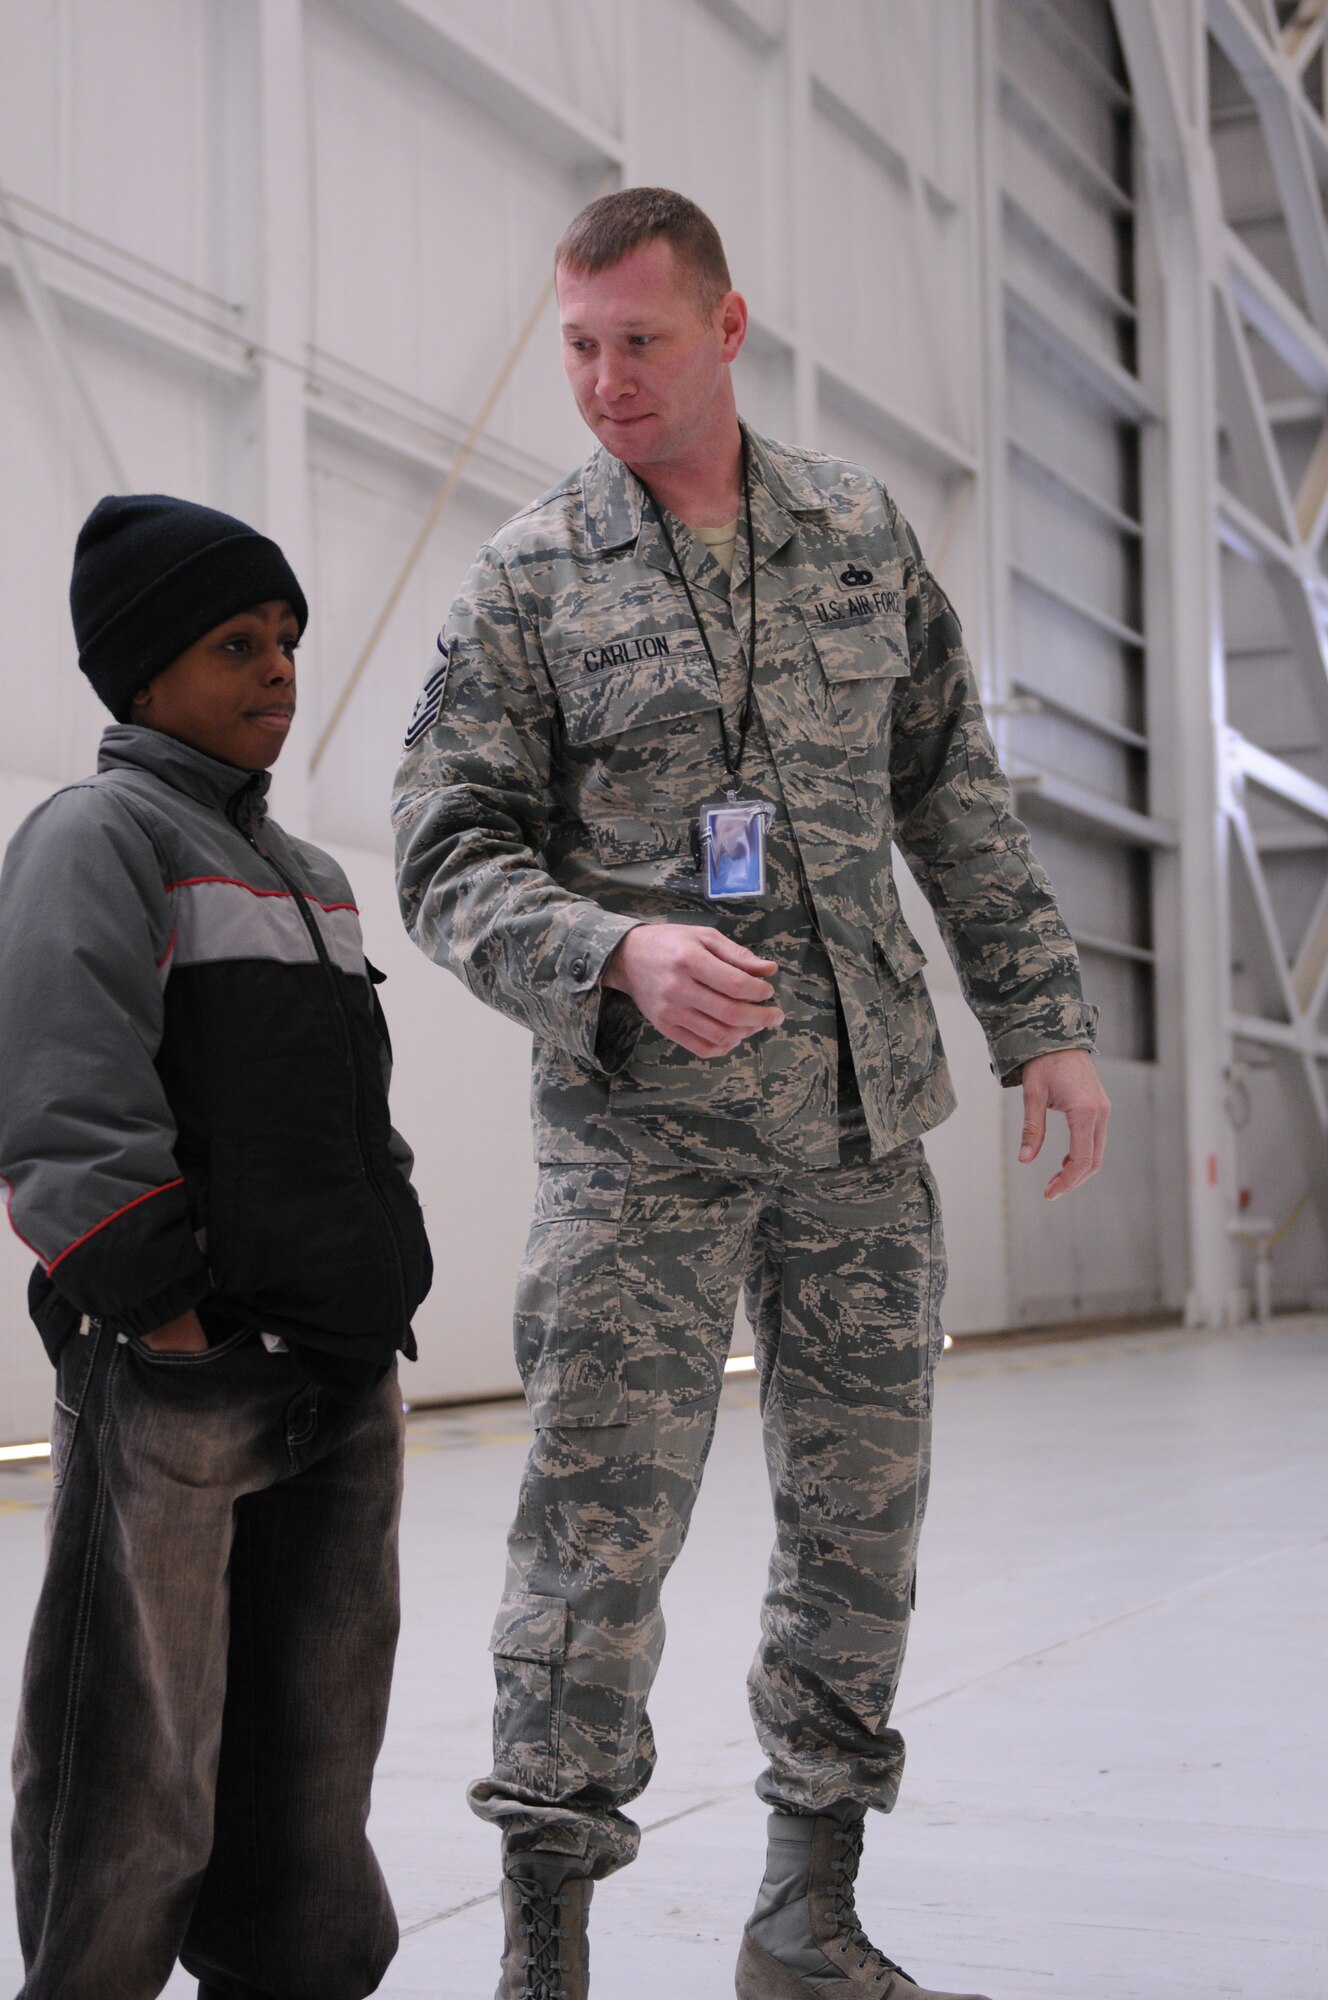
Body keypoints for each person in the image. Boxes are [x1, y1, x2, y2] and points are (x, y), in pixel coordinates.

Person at [393, 187, 1109, 2000]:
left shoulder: (861, 534)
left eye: (639, 342)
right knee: (595, 1531)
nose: (605, 383)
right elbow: (444, 850)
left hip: (863, 1131)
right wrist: (613, 955)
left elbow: (953, 791)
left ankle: (808, 1912)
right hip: (641, 1146)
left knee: (862, 1522)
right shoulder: (530, 577)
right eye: (576, 347)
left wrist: (1045, 1020)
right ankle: (544, 1946)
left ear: (725, 328)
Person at [0, 494, 433, 2000]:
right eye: (237, 642)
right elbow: (60, 1102)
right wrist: (167, 1333)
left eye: (291, 641)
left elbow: (346, 1123)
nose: (280, 671)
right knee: (139, 1765)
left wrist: (385, 1295)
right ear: (138, 676)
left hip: (337, 1384)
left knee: (312, 1770)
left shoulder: (309, 875)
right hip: (183, 1392)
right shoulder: (97, 835)